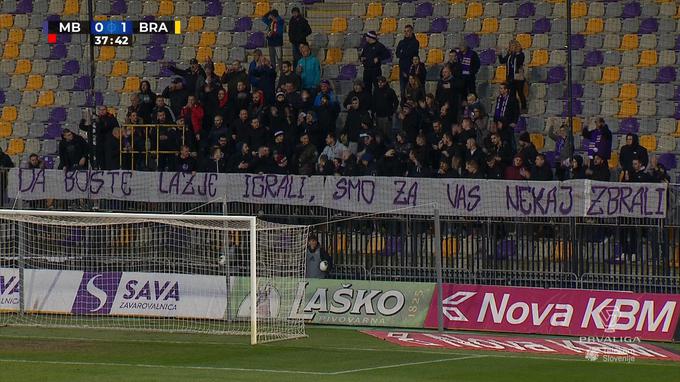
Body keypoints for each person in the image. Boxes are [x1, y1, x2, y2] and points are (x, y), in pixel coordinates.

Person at [498, 39, 527, 112]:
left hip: (518, 78)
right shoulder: (509, 55)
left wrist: (516, 53)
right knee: (512, 95)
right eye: (510, 46)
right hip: (510, 78)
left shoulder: (520, 55)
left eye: (513, 45)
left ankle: (524, 107)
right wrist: (499, 54)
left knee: (520, 93)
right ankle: (515, 108)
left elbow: (519, 62)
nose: (511, 47)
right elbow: (502, 61)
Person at [395, 24, 419, 95]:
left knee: (412, 91)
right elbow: (397, 54)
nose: (406, 33)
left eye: (408, 31)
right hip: (402, 70)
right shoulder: (401, 42)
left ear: (411, 32)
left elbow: (411, 53)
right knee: (403, 91)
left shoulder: (415, 42)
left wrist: (403, 53)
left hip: (412, 70)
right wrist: (404, 53)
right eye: (405, 31)